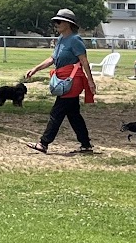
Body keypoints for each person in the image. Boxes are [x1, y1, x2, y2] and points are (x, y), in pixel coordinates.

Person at [23, 8, 97, 153]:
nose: (56, 24)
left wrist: (90, 81)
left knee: (57, 112)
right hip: (63, 78)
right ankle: (86, 144)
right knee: (73, 114)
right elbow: (52, 59)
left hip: (71, 80)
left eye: (59, 21)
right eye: (55, 22)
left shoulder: (75, 40)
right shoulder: (61, 39)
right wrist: (36, 68)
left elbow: (84, 61)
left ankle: (43, 143)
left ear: (68, 24)